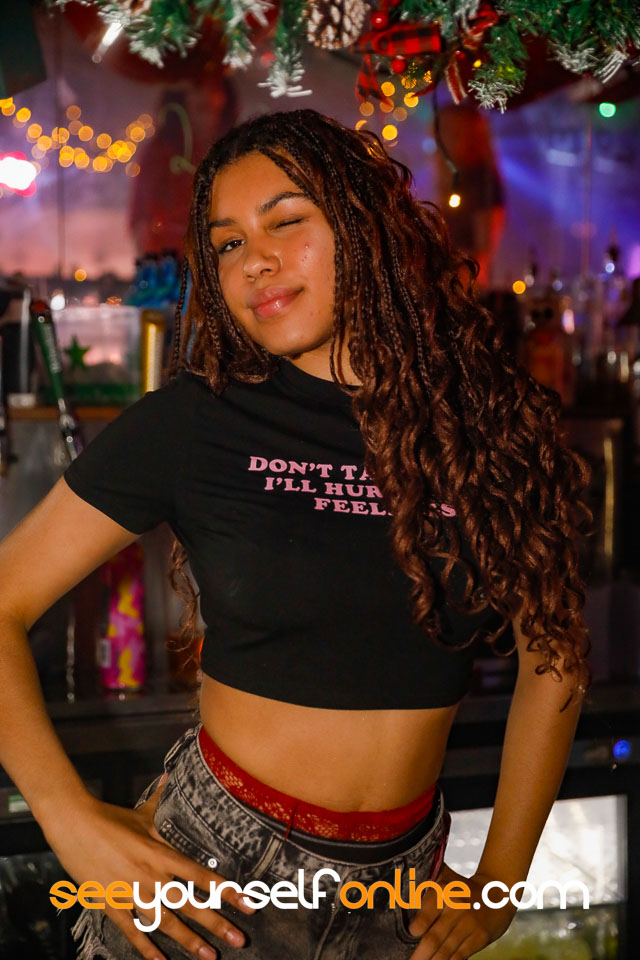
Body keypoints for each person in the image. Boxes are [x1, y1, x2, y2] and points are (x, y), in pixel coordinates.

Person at [0, 109, 591, 960]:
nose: (255, 261)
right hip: (210, 880)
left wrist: (500, 879)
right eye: (229, 243)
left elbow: (555, 657)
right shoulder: (195, 424)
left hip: (402, 897)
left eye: (285, 222)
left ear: (364, 228)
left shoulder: (485, 431)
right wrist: (68, 818)